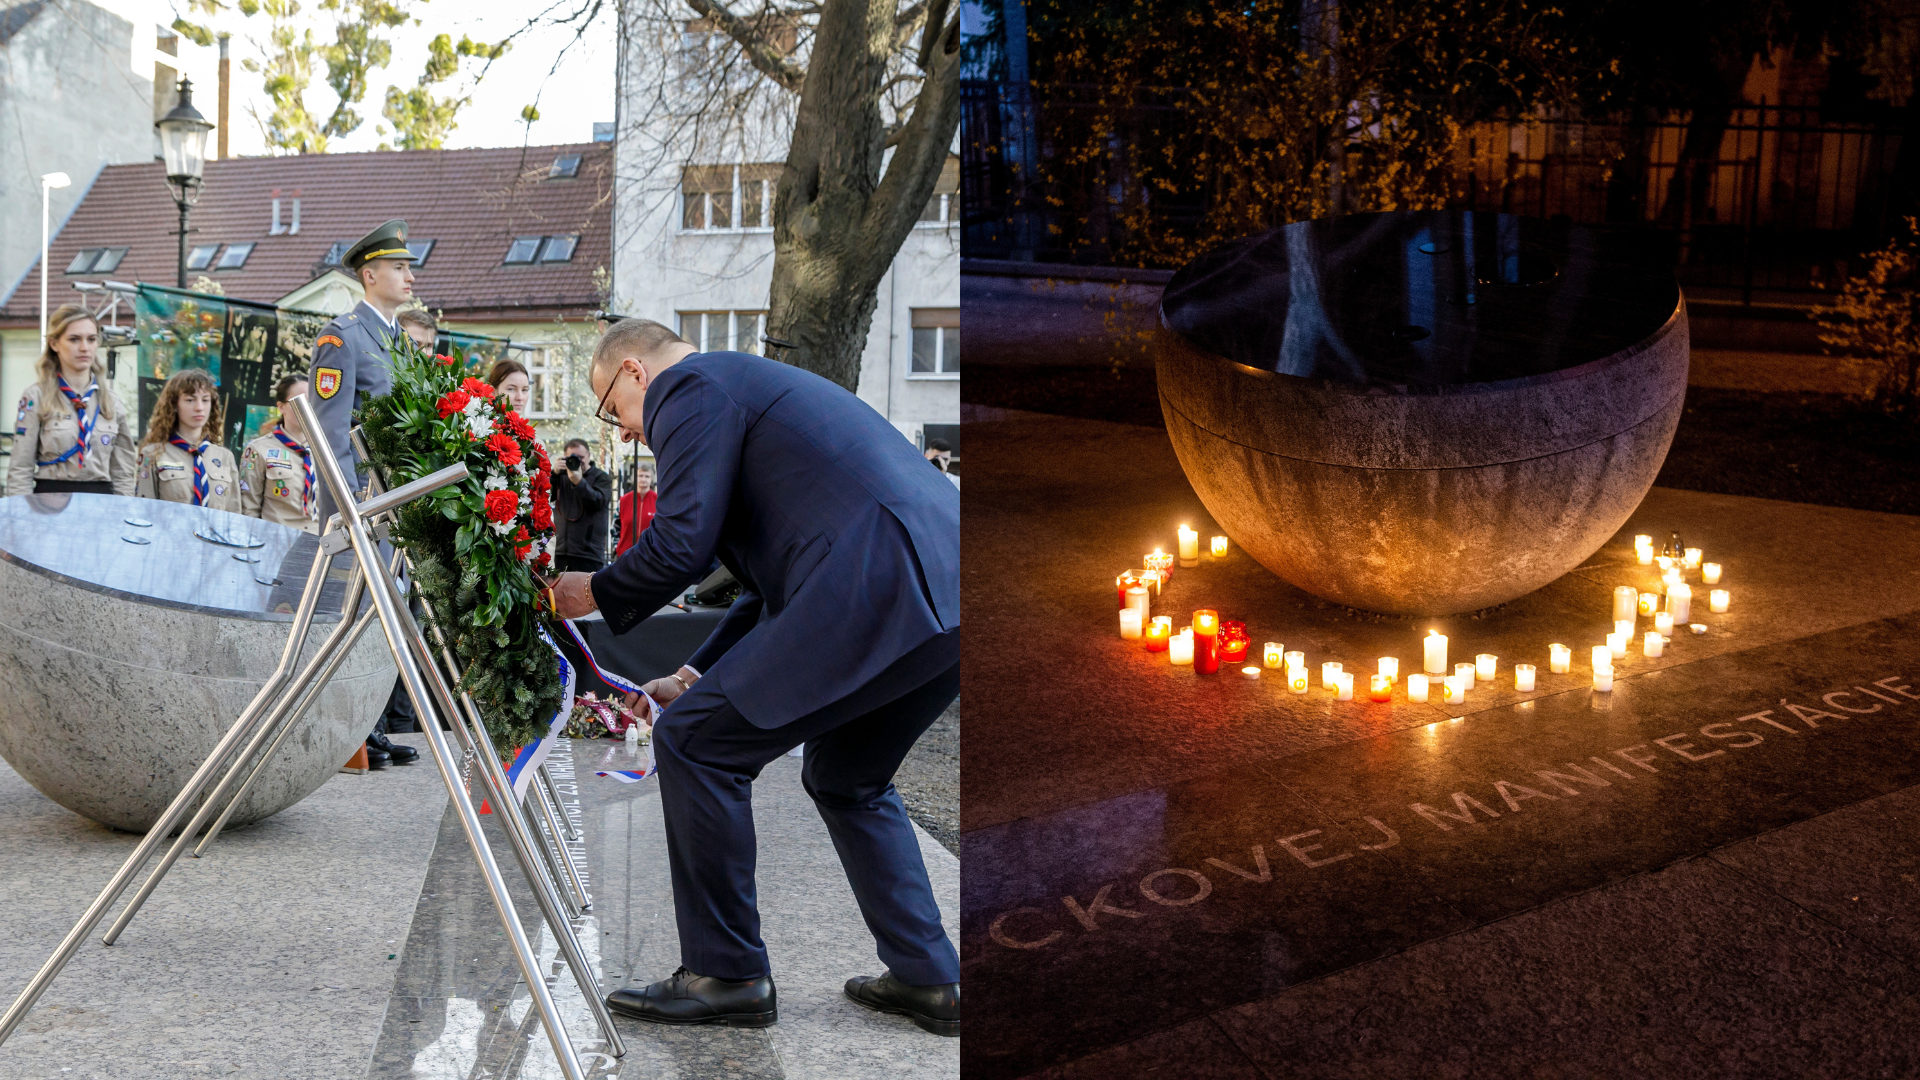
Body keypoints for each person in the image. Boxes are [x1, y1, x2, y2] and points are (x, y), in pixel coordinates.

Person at [548, 319, 961, 1037]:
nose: (621, 435)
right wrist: (695, 669)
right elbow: (767, 587)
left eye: (612, 410)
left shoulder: (690, 386)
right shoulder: (740, 391)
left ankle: (726, 973)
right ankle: (930, 978)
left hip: (878, 576)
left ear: (637, 373)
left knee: (696, 743)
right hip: (949, 584)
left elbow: (682, 541)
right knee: (848, 778)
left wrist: (594, 593)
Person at [307, 219, 423, 769]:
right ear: (369, 274)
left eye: (408, 267)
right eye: (399, 267)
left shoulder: (398, 340)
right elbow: (330, 433)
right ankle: (348, 738)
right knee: (356, 623)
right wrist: (350, 507)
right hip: (362, 507)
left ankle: (369, 730)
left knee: (383, 626)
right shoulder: (343, 337)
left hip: (396, 507)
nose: (408, 275)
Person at [8, 303, 136, 497]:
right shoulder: (37, 397)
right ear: (54, 343)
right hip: (50, 501)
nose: (84, 348)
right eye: (74, 339)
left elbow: (123, 472)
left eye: (91, 339)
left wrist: (123, 515)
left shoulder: (111, 402)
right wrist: (21, 519)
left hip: (101, 502)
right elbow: (20, 469)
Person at [135, 369, 241, 512]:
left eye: (205, 400)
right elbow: (144, 511)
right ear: (174, 405)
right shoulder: (153, 454)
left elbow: (234, 516)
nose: (199, 408)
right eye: (190, 400)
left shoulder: (224, 457)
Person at [238, 375, 320, 533]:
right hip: (276, 542)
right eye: (298, 401)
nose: (306, 407)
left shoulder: (326, 451)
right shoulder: (258, 450)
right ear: (281, 407)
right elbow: (249, 509)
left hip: (320, 545)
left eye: (311, 401)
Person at [551, 437, 612, 574]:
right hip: (561, 552)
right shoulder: (561, 476)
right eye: (572, 457)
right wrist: (553, 474)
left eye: (581, 457)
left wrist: (579, 482)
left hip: (589, 554)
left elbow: (597, 502)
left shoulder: (602, 478)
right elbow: (545, 497)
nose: (577, 461)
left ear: (589, 456)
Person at [614, 463, 656, 558]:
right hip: (625, 555)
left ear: (651, 479)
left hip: (650, 556)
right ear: (634, 478)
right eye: (640, 475)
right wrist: (616, 547)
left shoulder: (658, 501)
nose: (643, 479)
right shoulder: (623, 501)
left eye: (647, 476)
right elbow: (615, 527)